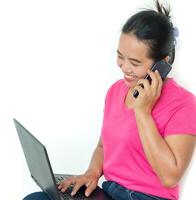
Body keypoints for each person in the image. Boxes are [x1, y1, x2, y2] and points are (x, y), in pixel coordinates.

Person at [23, 1, 196, 199]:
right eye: (120, 56)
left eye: (135, 62)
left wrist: (143, 112)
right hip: (110, 192)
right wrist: (92, 173)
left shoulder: (183, 104)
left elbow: (169, 177)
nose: (124, 67)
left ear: (162, 63)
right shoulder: (115, 91)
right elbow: (103, 146)